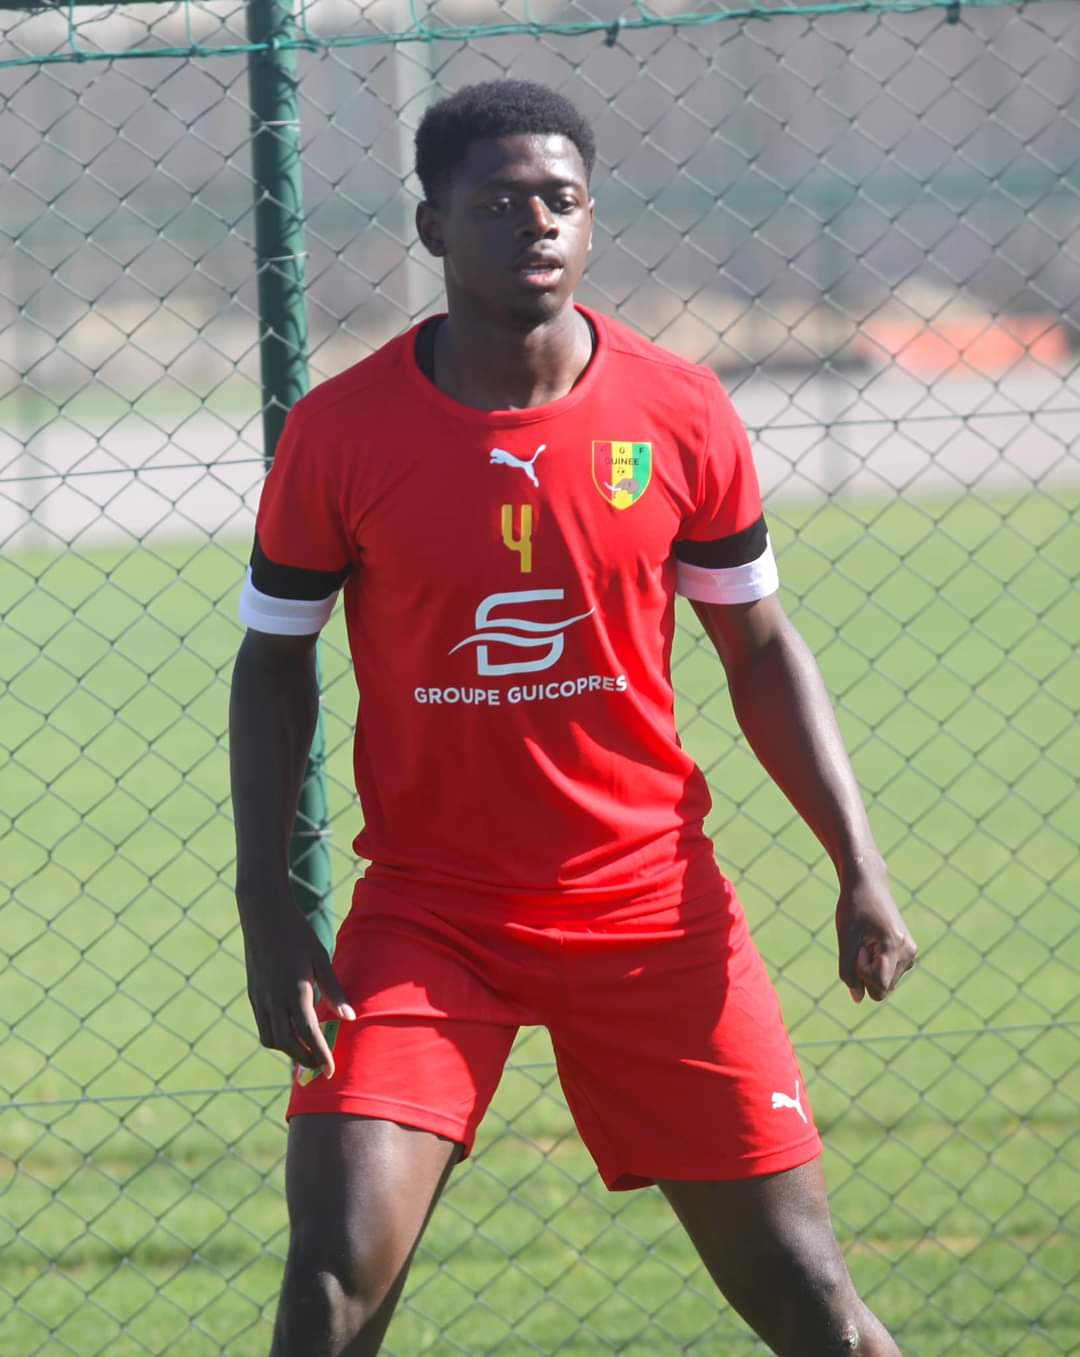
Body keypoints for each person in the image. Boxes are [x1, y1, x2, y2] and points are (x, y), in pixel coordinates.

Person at [229, 79, 918, 1357]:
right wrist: (269, 906)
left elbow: (761, 647)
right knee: (332, 1276)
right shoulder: (340, 430)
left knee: (809, 1297)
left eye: (562, 199)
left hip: (650, 907)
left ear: (592, 219)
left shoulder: (680, 409)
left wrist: (857, 863)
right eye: (499, 202)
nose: (537, 223)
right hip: (431, 915)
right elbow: (272, 665)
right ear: (433, 226)